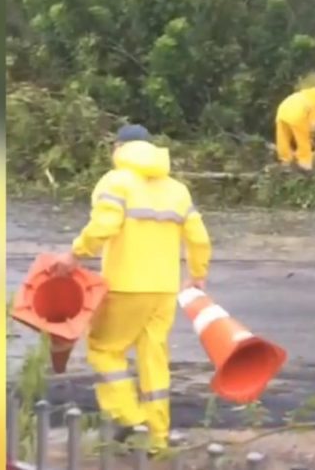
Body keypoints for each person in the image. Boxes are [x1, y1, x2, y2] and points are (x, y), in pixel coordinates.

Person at [49, 123, 211, 454]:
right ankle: (158, 438)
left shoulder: (116, 181)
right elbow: (199, 237)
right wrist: (196, 274)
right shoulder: (177, 189)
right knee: (155, 358)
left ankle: (130, 418)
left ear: (118, 148)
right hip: (164, 289)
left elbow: (105, 224)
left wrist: (75, 254)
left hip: (126, 285)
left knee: (104, 349)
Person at [275, 87, 315, 170]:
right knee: (304, 142)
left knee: (283, 139)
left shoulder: (300, 95)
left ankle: (285, 161)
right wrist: (313, 137)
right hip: (297, 117)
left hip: (281, 113)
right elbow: (312, 125)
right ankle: (305, 164)